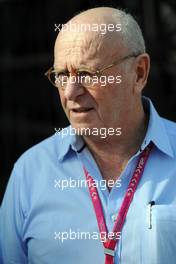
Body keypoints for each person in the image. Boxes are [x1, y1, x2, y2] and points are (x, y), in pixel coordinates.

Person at [1, 6, 176, 264]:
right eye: (61, 75)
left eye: (86, 74)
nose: (70, 92)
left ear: (139, 73)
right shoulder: (31, 172)